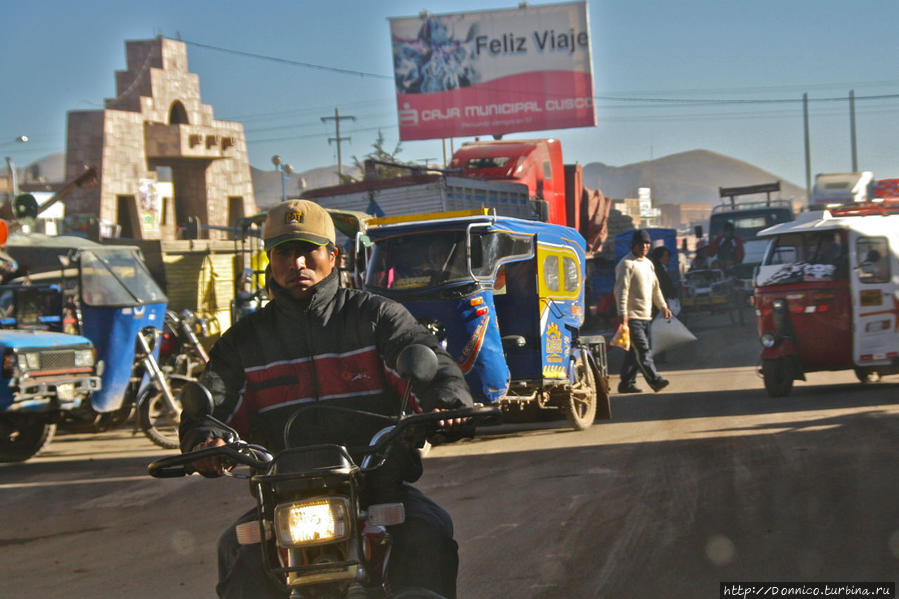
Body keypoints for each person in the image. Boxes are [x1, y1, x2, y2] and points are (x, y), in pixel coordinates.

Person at [180, 199, 473, 599]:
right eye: (284, 251)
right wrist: (205, 439)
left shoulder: (377, 317)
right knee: (235, 549)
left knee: (427, 533)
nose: (296, 262)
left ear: (333, 255)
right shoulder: (244, 341)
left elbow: (427, 363)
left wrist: (445, 406)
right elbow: (216, 398)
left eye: (308, 250)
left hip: (377, 487)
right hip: (282, 497)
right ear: (270, 259)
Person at [613, 230, 672, 394]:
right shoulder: (626, 264)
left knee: (634, 353)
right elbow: (621, 291)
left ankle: (626, 384)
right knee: (643, 350)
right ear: (633, 245)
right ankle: (655, 380)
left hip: (646, 316)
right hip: (632, 317)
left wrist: (663, 306)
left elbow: (655, 288)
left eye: (647, 244)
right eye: (641, 244)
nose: (644, 247)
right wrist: (622, 312)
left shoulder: (648, 263)